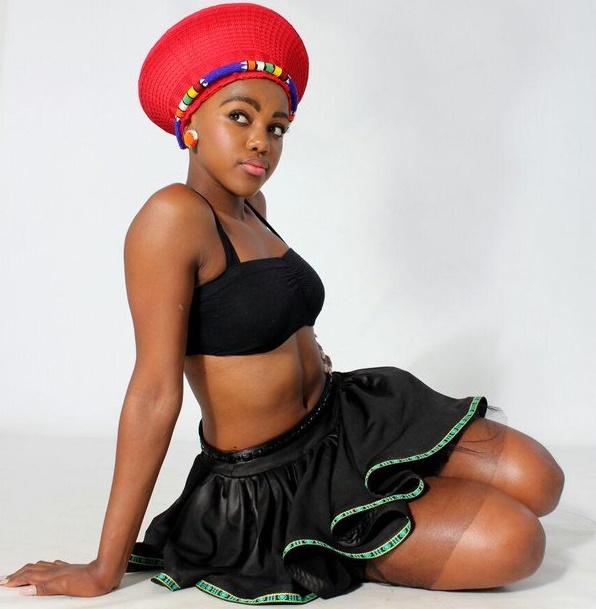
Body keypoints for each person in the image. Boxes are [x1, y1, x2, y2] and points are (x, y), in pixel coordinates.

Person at [1, 3, 564, 603]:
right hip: (274, 482)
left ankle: (390, 487)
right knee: (517, 542)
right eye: (239, 116)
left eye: (276, 128)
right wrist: (103, 568)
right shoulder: (172, 217)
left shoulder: (252, 209)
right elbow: (153, 393)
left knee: (542, 480)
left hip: (345, 419)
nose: (261, 141)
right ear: (191, 124)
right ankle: (342, 536)